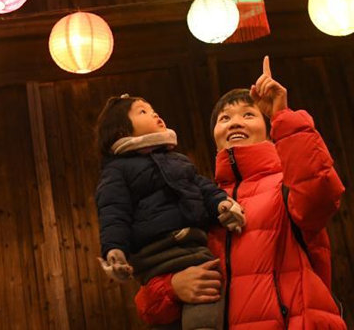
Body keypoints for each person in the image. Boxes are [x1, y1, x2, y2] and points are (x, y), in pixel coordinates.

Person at [135, 56, 346, 330]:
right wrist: (172, 288)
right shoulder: (197, 201)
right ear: (215, 135)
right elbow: (149, 306)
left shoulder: (287, 186)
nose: (235, 123)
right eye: (225, 118)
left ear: (269, 131)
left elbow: (320, 192)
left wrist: (282, 116)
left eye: (248, 114)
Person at [95, 94, 247, 330]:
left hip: (195, 249)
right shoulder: (117, 170)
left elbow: (203, 186)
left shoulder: (177, 160)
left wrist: (222, 204)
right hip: (156, 257)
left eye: (153, 108)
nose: (154, 113)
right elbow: (113, 213)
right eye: (143, 112)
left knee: (209, 294)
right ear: (121, 133)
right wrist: (114, 250)